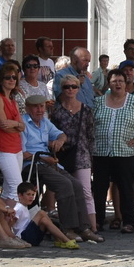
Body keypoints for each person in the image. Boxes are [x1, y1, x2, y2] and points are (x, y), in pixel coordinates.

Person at [93, 67, 134, 233]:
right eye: (114, 81)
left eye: (121, 81)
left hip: (124, 151)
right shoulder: (99, 101)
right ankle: (98, 220)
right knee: (99, 187)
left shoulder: (133, 101)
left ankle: (128, 220)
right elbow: (89, 121)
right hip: (101, 151)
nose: (118, 84)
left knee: (126, 187)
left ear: (125, 83)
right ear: (109, 84)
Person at [21, 91, 85, 239]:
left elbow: (61, 134)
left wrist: (59, 141)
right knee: (64, 184)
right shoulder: (23, 123)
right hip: (32, 164)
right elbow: (22, 153)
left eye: (42, 107)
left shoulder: (44, 122)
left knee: (76, 184)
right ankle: (68, 229)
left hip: (47, 161)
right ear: (28, 108)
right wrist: (44, 159)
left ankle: (84, 227)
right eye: (36, 107)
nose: (40, 110)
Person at [50, 73, 102, 241]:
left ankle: (91, 227)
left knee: (86, 191)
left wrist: (92, 157)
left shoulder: (86, 110)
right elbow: (52, 134)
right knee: (66, 191)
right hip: (63, 154)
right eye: (67, 87)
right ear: (62, 89)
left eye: (74, 86)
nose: (70, 90)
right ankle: (71, 225)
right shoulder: (56, 111)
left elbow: (91, 135)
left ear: (79, 89)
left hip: (82, 153)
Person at [0, 63, 27, 204]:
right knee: (16, 188)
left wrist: (15, 124)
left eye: (14, 77)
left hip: (17, 148)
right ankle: (13, 224)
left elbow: (22, 127)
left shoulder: (13, 101)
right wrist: (15, 125)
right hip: (4, 149)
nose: (11, 80)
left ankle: (2, 219)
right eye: (7, 77)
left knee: (7, 189)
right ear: (1, 80)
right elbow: (4, 126)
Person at [9, 182, 80, 249]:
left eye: (33, 195)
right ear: (20, 195)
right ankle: (65, 239)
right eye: (28, 194)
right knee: (41, 213)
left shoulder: (24, 207)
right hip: (23, 237)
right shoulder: (18, 208)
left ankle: (59, 239)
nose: (31, 197)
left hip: (32, 238)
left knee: (44, 220)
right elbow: (10, 224)